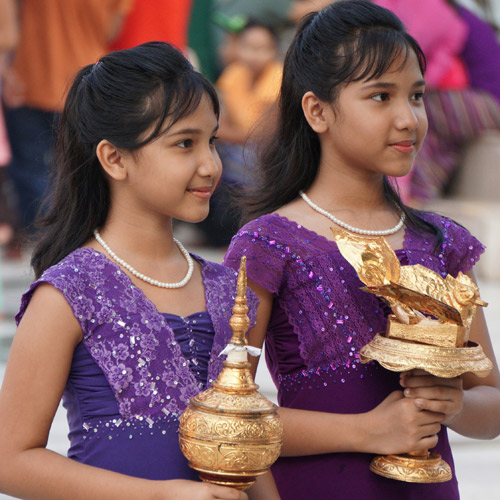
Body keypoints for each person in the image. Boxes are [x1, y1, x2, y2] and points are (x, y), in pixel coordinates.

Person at [223, 1, 500, 499]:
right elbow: (221, 413)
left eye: (416, 96)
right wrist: (365, 431)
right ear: (317, 111)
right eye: (380, 96)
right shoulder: (268, 244)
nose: (408, 118)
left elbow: (491, 404)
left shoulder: (441, 243)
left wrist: (452, 404)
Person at [0, 42, 281, 500]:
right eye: (184, 143)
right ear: (114, 158)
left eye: (211, 140)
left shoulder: (228, 287)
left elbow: (240, 441)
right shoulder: (68, 291)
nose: (210, 164)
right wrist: (160, 495)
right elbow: (10, 461)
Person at [2, 0, 132, 239]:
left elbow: (8, 25)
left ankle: (45, 241)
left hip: (30, 79)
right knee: (83, 169)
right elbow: (113, 30)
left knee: (34, 170)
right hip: (87, 83)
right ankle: (79, 236)